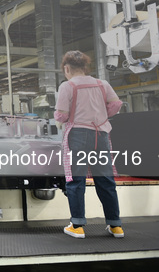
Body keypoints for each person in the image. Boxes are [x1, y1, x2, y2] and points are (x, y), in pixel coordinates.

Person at [54, 50, 124, 239]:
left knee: (76, 180)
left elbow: (61, 115)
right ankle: (116, 225)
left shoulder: (67, 87)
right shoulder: (103, 84)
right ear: (85, 67)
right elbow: (116, 104)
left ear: (66, 68)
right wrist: (102, 115)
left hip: (78, 134)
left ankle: (77, 226)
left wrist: (67, 117)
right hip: (101, 134)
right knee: (105, 180)